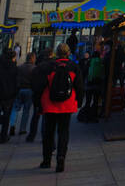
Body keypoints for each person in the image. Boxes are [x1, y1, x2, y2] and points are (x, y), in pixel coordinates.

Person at [34, 43, 84, 171]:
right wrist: (79, 101)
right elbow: (79, 86)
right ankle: (61, 157)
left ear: (56, 53)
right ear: (68, 53)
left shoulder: (48, 66)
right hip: (67, 104)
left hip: (49, 103)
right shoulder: (73, 66)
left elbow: (39, 86)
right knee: (63, 131)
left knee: (48, 133)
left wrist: (37, 103)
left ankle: (46, 159)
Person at [27, 50, 54, 142]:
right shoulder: (53, 66)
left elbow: (32, 82)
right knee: (46, 117)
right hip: (48, 94)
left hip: (37, 95)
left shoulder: (37, 67)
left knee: (36, 115)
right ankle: (44, 136)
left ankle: (31, 135)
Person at [10, 51, 37, 138]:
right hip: (29, 90)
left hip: (19, 89)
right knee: (26, 110)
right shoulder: (34, 68)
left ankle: (12, 125)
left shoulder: (19, 67)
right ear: (33, 59)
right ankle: (22, 129)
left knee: (15, 109)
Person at [0, 50, 17, 142]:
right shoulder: (14, 67)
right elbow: (16, 82)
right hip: (9, 95)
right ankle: (3, 136)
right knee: (6, 116)